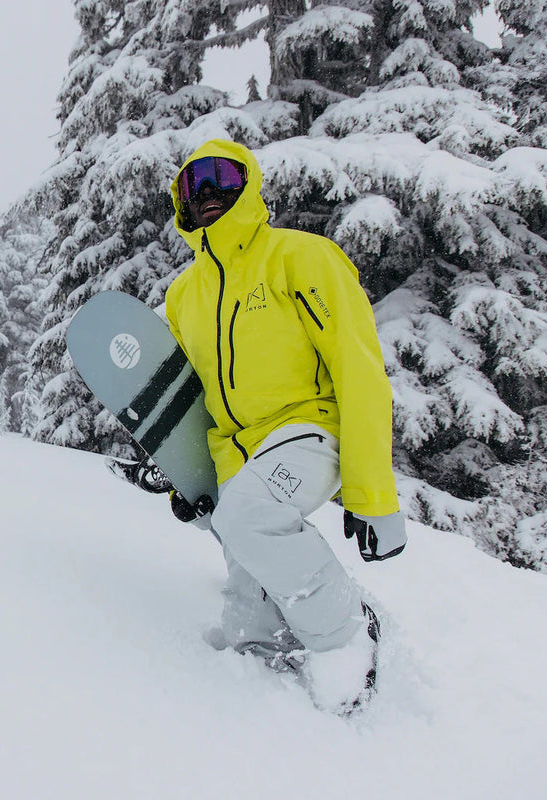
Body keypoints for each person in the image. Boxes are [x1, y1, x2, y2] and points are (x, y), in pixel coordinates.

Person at [155, 138, 406, 714]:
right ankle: (269, 708)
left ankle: (344, 636)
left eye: (222, 176)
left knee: (249, 515)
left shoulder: (302, 257)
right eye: (195, 183)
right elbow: (193, 400)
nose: (210, 192)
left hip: (311, 430)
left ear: (249, 184)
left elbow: (358, 366)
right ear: (182, 202)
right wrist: (185, 481)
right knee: (248, 614)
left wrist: (373, 496)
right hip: (237, 458)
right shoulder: (183, 295)